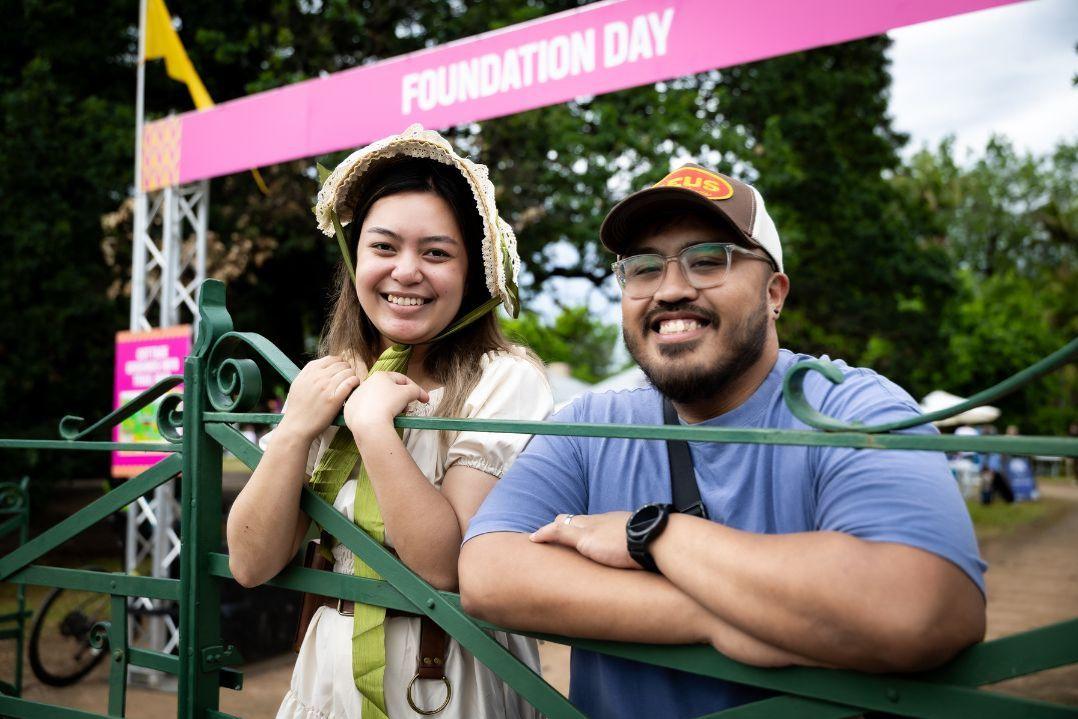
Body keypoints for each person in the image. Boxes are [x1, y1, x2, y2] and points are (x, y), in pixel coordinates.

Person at [459, 163, 987, 718]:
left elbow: (920, 607)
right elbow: (489, 573)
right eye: (642, 268)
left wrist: (655, 536)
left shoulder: (851, 408)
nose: (671, 290)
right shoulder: (587, 426)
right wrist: (717, 616)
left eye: (708, 260)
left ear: (774, 291)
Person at [226, 125, 552, 719]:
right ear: (355, 260)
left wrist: (374, 429)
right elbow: (251, 564)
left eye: (436, 252)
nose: (406, 272)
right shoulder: (328, 378)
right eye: (383, 247)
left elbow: (445, 568)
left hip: (450, 678)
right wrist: (298, 429)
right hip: (328, 677)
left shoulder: (505, 379)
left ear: (473, 271)